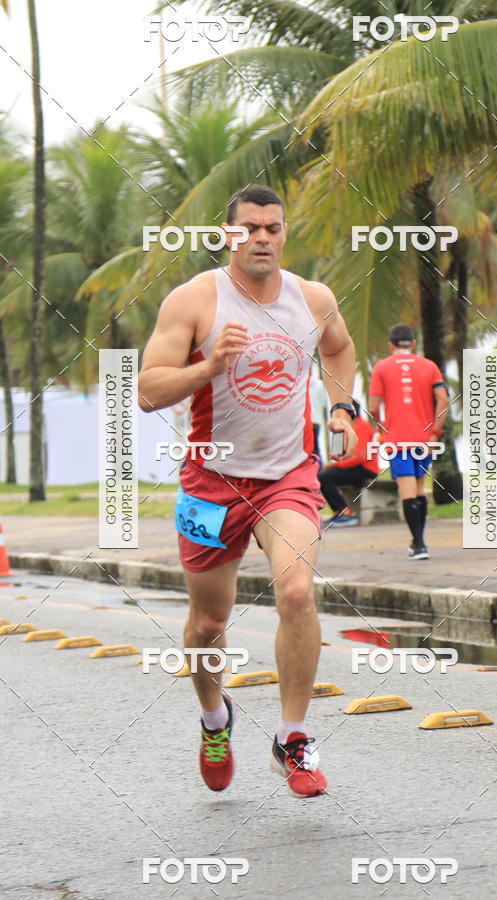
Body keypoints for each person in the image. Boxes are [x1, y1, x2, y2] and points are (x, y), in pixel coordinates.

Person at [138, 184, 357, 799]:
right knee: (209, 622)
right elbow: (148, 390)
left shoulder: (312, 299)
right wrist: (207, 366)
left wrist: (341, 406)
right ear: (228, 233)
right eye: (249, 228)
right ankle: (215, 721)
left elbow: (339, 349)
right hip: (211, 481)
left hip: (289, 475)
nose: (262, 237)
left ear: (285, 233)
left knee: (295, 589)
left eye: (273, 228)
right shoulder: (195, 301)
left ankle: (292, 740)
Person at [368, 324, 448, 559]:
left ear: (391, 345)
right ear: (413, 344)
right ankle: (417, 542)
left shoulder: (381, 367)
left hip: (397, 440)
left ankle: (420, 545)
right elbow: (443, 400)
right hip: (424, 439)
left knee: (407, 490)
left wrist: (381, 429)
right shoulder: (429, 366)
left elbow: (373, 407)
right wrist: (435, 432)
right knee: (419, 488)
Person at [318, 400, 379, 526]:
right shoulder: (354, 425)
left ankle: (344, 513)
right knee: (326, 475)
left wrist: (333, 465)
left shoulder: (360, 426)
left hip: (365, 469)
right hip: (358, 468)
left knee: (324, 476)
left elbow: (358, 458)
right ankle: (341, 512)